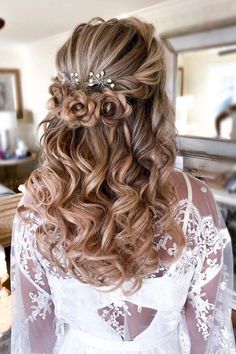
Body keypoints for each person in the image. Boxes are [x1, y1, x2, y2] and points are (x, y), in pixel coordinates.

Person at [10, 17, 235, 354]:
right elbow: (204, 330)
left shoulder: (36, 203)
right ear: (156, 104)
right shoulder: (196, 199)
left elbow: (36, 330)